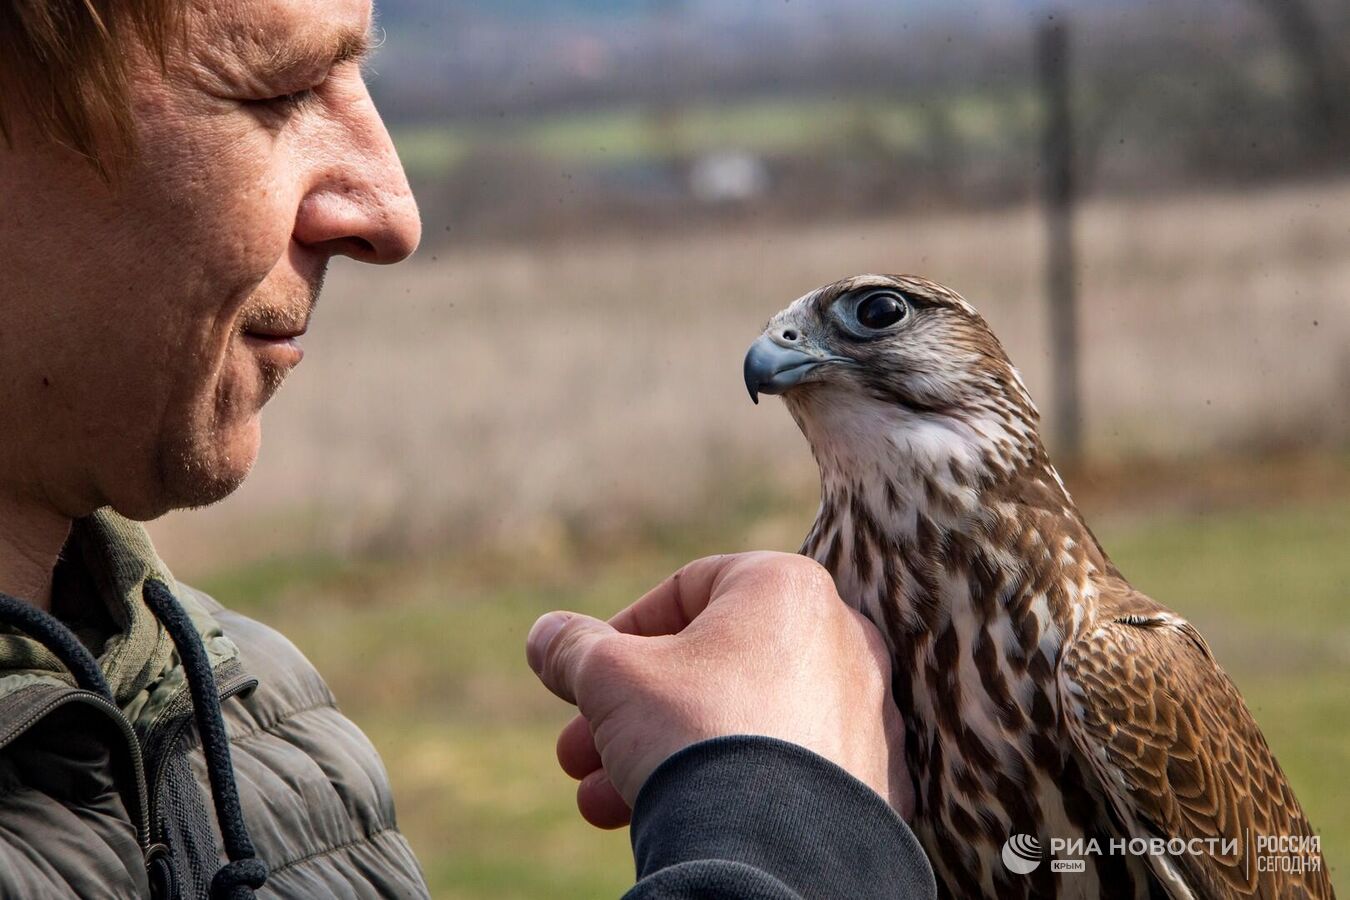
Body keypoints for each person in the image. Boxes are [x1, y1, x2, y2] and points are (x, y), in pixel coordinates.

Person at [0, 0, 936, 897]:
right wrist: (784, 835)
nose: (394, 213)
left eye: (356, 73)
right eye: (275, 89)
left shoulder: (262, 725)